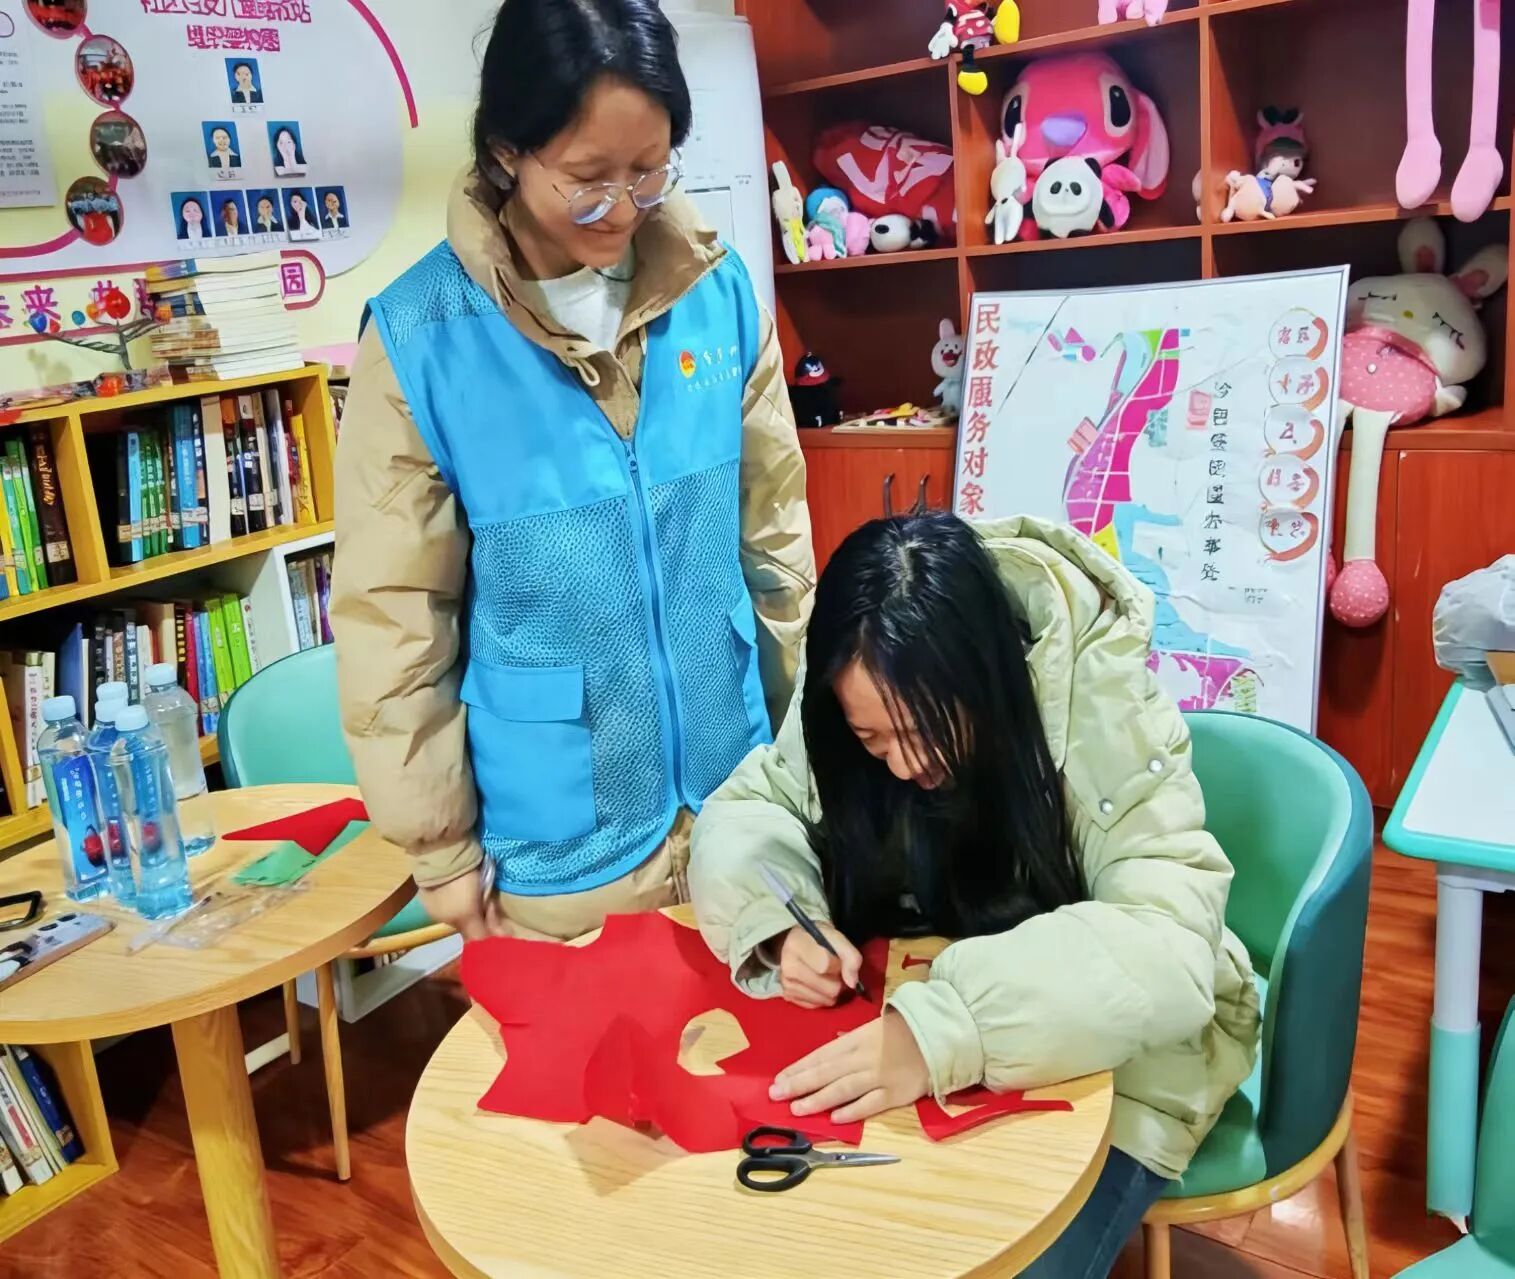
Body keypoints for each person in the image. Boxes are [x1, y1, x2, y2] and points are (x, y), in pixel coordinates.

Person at [331, 0, 814, 944]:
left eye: (650, 171)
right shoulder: (420, 338)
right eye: (588, 180)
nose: (622, 209)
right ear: (507, 151)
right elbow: (394, 617)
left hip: (739, 805)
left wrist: (806, 752)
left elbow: (776, 541)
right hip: (563, 844)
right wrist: (440, 847)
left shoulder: (715, 290)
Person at [689, 513, 1259, 1279]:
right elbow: (753, 807)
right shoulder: (853, 668)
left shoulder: (1105, 701)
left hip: (1125, 1062)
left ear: (982, 676)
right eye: (871, 739)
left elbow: (1168, 941)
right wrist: (781, 921)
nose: (902, 766)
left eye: (921, 729)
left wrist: (945, 1028)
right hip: (928, 1029)